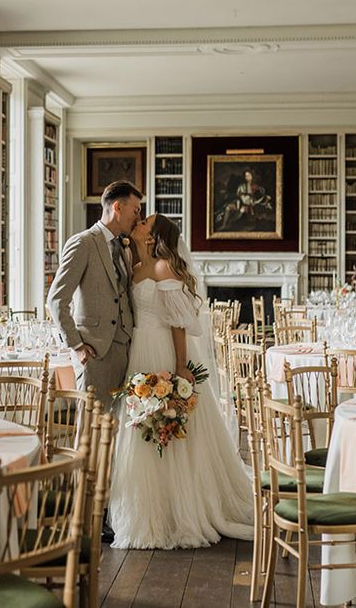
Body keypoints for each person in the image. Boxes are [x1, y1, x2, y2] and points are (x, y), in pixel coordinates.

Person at [108, 213, 253, 549]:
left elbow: (177, 323)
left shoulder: (162, 268)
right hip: (138, 353)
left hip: (161, 351)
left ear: (152, 236)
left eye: (145, 222)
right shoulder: (134, 265)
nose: (139, 222)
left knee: (169, 428)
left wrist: (179, 367)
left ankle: (178, 511)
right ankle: (148, 509)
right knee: (141, 426)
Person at [47, 180, 142, 409]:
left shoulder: (125, 248)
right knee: (90, 426)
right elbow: (56, 299)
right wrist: (77, 346)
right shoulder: (83, 243)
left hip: (124, 350)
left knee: (114, 428)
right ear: (118, 207)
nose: (138, 217)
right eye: (136, 210)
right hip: (93, 352)